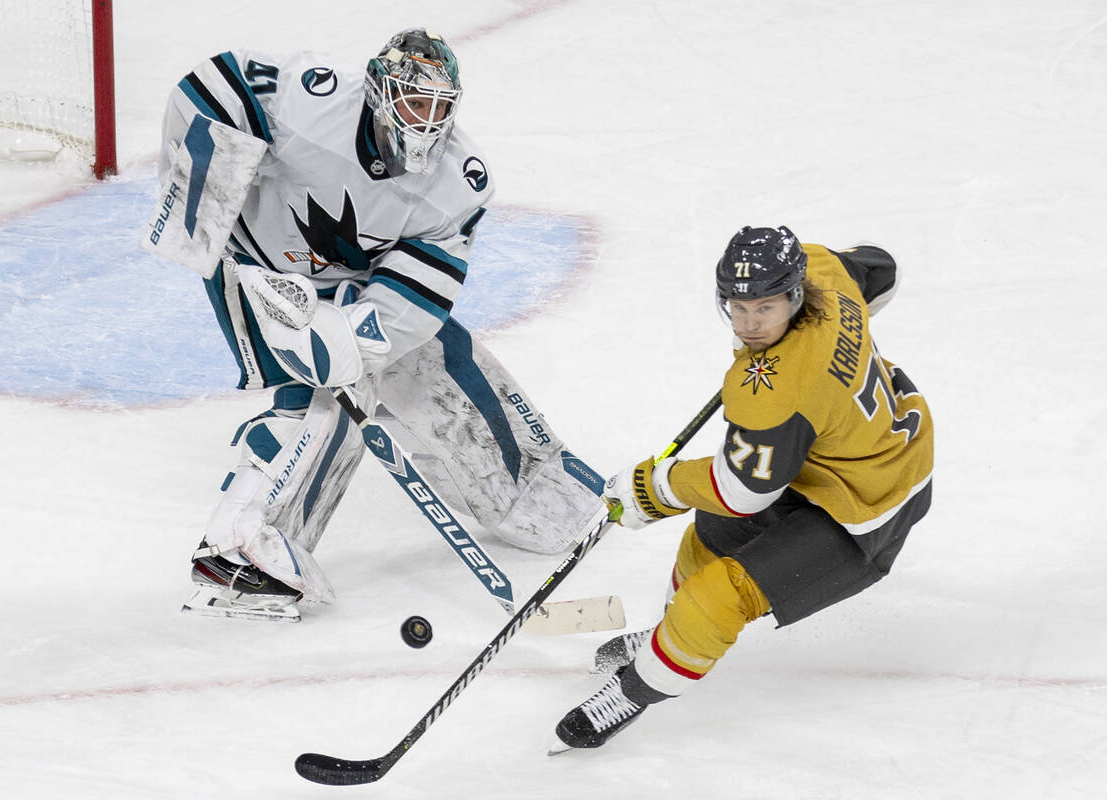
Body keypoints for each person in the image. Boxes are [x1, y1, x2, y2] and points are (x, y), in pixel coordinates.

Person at [158, 28, 605, 622]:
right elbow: (211, 86)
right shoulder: (311, 103)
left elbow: (420, 291)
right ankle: (242, 548)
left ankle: (525, 488)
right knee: (324, 399)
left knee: (437, 353)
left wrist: (355, 336)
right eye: (415, 104)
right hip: (260, 272)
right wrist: (204, 201)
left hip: (354, 287)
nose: (428, 123)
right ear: (377, 92)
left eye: (440, 108)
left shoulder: (458, 182)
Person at [550, 226, 933, 750]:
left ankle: (634, 691)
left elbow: (742, 493)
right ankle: (668, 637)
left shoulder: (776, 392)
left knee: (717, 597)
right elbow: (882, 269)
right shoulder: (823, 267)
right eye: (739, 306)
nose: (751, 324)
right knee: (709, 535)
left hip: (872, 505)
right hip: (831, 452)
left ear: (795, 295)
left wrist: (652, 489)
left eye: (767, 309)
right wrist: (833, 341)